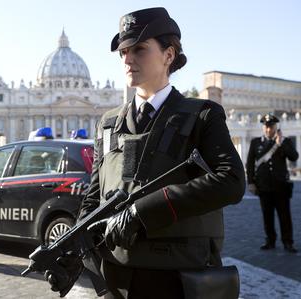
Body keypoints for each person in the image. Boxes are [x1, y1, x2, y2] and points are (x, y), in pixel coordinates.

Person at [45, 7, 245, 298]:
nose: (127, 59)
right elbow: (94, 196)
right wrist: (75, 252)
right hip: (116, 278)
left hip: (175, 279)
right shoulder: (108, 123)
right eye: (123, 52)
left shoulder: (203, 115)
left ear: (168, 55)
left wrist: (141, 213)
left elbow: (231, 181)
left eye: (139, 49)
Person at [246, 114, 298, 253]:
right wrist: (250, 182)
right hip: (264, 187)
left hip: (281, 187)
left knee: (285, 216)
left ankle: (288, 242)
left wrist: (281, 143)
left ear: (276, 127)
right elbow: (250, 164)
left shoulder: (284, 141)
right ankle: (270, 241)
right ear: (263, 127)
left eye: (271, 126)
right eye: (266, 127)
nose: (269, 129)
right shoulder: (256, 142)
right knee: (267, 216)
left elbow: (294, 156)